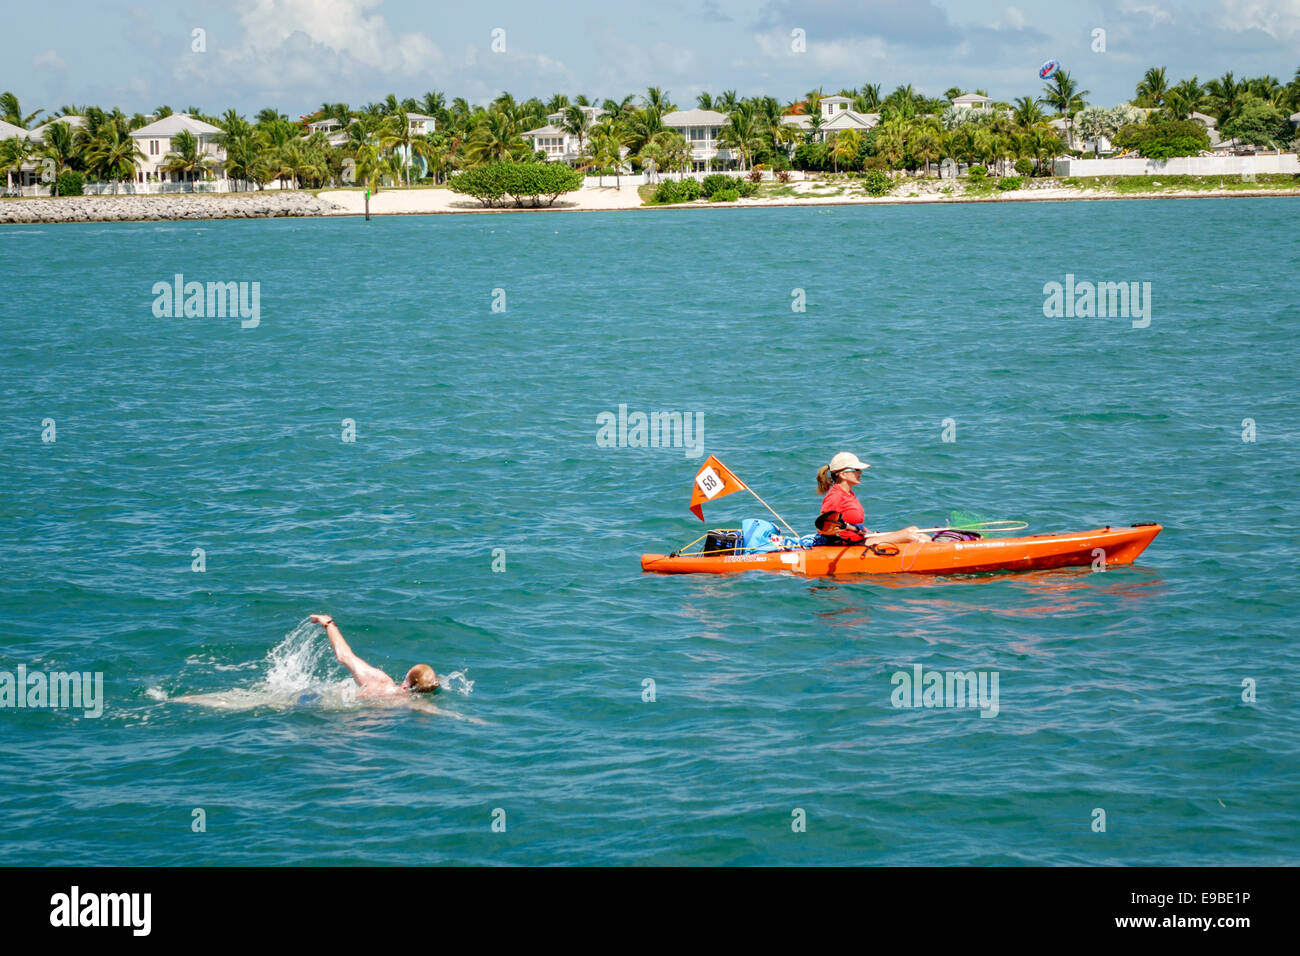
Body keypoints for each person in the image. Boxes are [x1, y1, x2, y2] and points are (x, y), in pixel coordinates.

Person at [308, 614, 439, 698]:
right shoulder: (416, 705)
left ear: (405, 686)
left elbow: (344, 655)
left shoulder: (381, 683)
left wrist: (329, 623)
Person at [814, 452, 929, 546]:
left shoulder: (848, 493)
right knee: (910, 535)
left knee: (914, 530)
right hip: (849, 545)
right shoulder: (835, 496)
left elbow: (852, 521)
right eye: (856, 470)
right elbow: (823, 527)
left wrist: (866, 532)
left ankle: (941, 545)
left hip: (860, 538)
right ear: (843, 474)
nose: (861, 472)